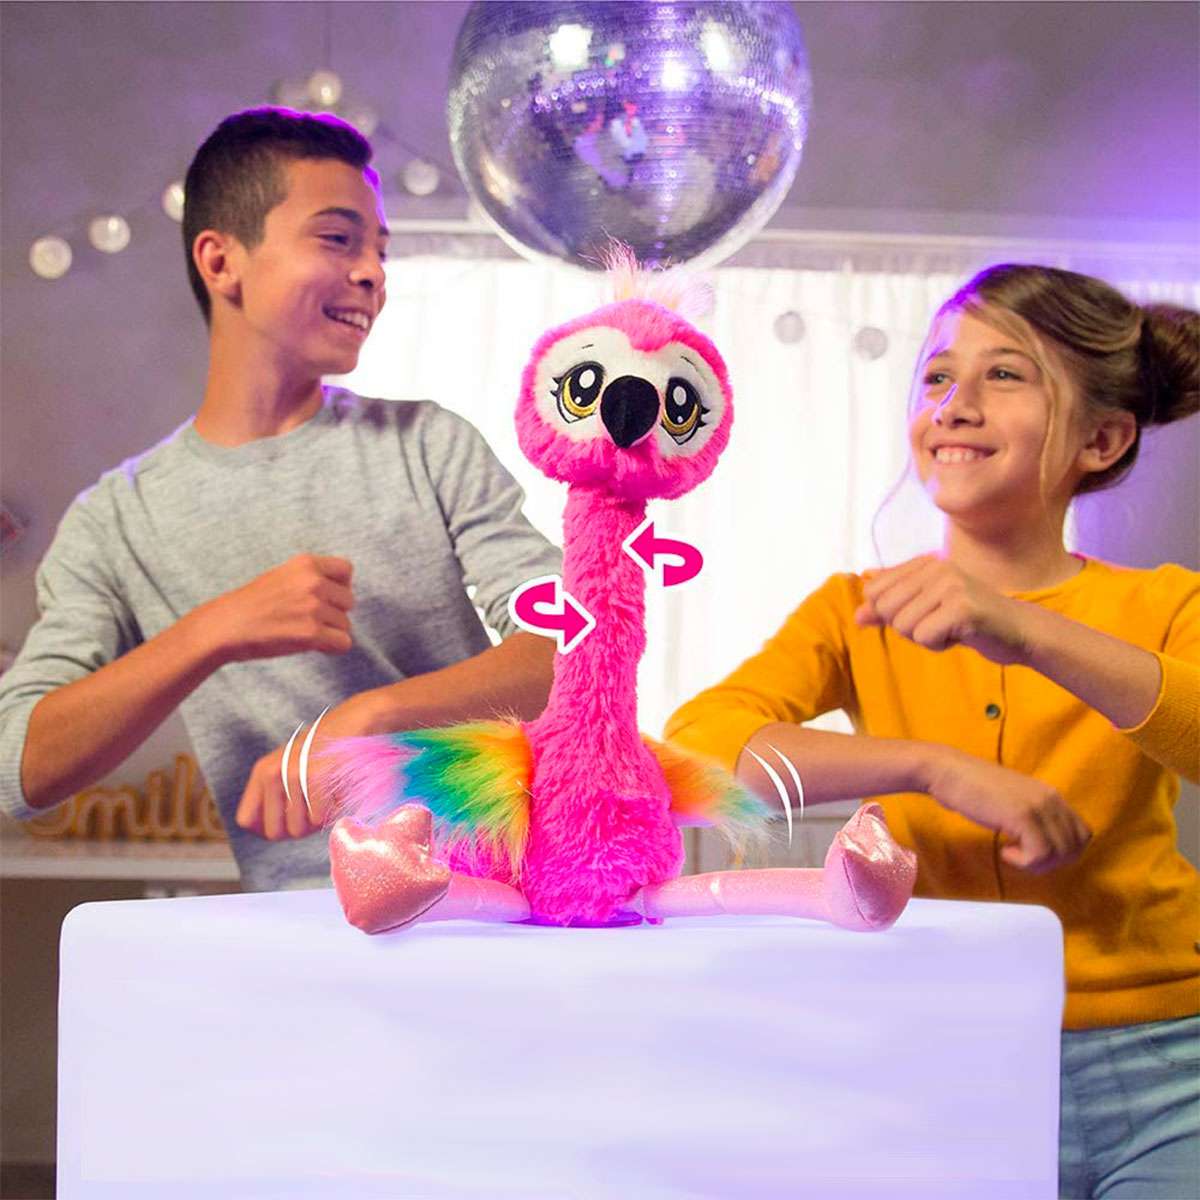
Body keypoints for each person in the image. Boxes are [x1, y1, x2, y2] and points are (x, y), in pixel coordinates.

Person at [664, 263, 1199, 1198]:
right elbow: (699, 746)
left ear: (1102, 439)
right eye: (939, 375)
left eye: (1006, 374)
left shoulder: (1165, 605)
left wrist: (1019, 627)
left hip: (1166, 1069)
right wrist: (931, 767)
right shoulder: (853, 610)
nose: (954, 403)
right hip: (944, 1054)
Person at [0, 108, 561, 890]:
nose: (373, 274)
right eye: (337, 239)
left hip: (501, 904)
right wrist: (213, 630)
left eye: (379, 251)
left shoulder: (429, 445)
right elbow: (18, 767)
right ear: (221, 261)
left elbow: (572, 646)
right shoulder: (116, 521)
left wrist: (365, 721)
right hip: (295, 934)